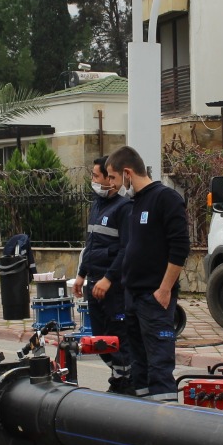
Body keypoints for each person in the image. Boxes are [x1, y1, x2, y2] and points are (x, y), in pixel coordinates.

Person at [95, 145, 188, 399]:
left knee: (159, 365)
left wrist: (165, 289)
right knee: (140, 366)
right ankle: (145, 419)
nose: (112, 184)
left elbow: (180, 248)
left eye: (113, 177)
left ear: (127, 173)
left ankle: (166, 424)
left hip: (154, 298)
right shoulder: (134, 204)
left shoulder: (165, 198)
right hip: (132, 297)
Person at [73, 156, 134, 392]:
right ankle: (120, 374)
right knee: (99, 337)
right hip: (94, 282)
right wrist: (81, 274)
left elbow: (125, 250)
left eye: (96, 176)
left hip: (113, 285)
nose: (94, 180)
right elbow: (91, 245)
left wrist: (108, 279)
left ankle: (125, 381)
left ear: (111, 178)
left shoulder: (124, 208)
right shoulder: (97, 205)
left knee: (117, 335)